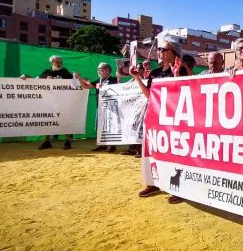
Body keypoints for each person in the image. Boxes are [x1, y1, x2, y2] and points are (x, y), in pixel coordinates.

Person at [130, 39, 188, 204]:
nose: (159, 52)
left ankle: (178, 188)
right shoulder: (155, 73)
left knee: (174, 153)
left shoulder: (181, 69)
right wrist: (137, 78)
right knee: (151, 151)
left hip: (173, 118)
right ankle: (153, 183)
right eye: (159, 49)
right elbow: (149, 95)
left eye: (163, 49)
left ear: (173, 52)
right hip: (155, 116)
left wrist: (176, 76)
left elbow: (186, 92)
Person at [20, 55, 74, 150]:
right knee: (48, 120)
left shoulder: (65, 73)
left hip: (63, 101)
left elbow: (75, 82)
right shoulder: (46, 72)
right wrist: (27, 77)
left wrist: (82, 80)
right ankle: (47, 141)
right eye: (57, 62)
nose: (59, 64)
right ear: (52, 62)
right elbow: (36, 81)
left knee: (65, 120)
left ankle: (68, 141)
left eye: (61, 62)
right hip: (49, 101)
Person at [74, 62, 117, 153]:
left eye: (100, 69)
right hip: (99, 107)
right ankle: (102, 145)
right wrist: (79, 78)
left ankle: (112, 145)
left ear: (107, 70)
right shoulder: (98, 80)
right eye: (98, 69)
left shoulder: (114, 79)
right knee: (99, 126)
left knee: (110, 126)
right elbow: (86, 86)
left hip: (110, 107)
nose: (98, 71)